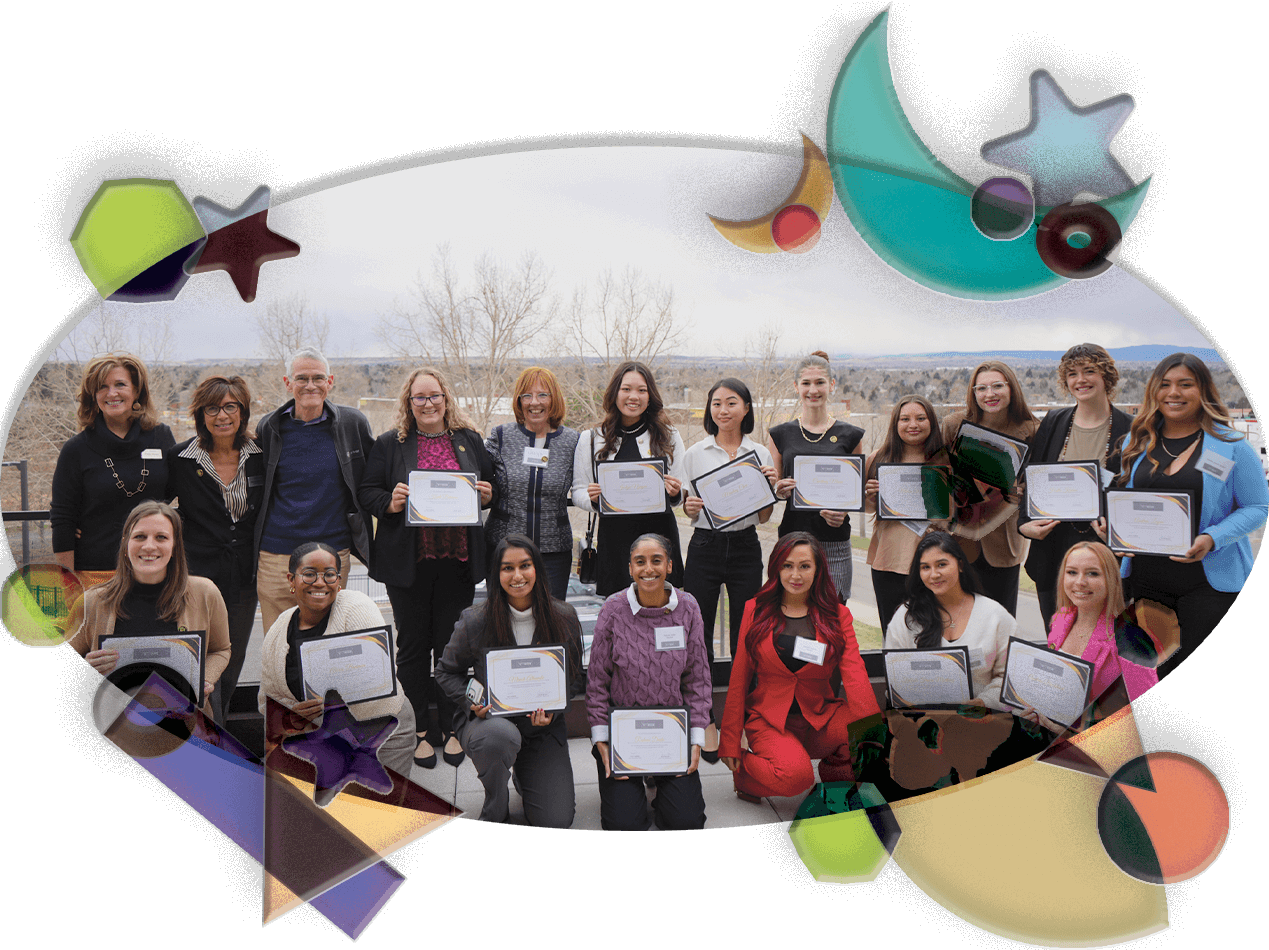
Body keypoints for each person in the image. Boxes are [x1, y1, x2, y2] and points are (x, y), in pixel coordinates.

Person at [358, 366, 496, 770]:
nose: (428, 403)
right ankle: (419, 730)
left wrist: (486, 495)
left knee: (453, 649)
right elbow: (367, 492)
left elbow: (488, 488)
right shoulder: (390, 444)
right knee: (414, 648)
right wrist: (392, 502)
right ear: (408, 403)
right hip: (409, 566)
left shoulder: (468, 441)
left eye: (434, 395)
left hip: (457, 562)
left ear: (446, 399)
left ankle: (455, 728)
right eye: (419, 397)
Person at [1104, 353, 1268, 677]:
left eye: (1185, 384)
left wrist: (1213, 538)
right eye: (1164, 385)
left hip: (1208, 585)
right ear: (1154, 391)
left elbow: (1257, 508)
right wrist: (1115, 533)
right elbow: (1125, 500)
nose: (1173, 393)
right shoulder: (1138, 443)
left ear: (1203, 390)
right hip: (1144, 583)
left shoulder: (1232, 445)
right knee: (1144, 677)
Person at [720, 533, 880, 803]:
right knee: (798, 779)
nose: (796, 574)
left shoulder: (838, 615)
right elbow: (739, 678)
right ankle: (746, 774)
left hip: (819, 717)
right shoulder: (754, 610)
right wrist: (730, 741)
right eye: (787, 565)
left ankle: (834, 772)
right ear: (776, 569)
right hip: (770, 721)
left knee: (869, 730)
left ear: (817, 570)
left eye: (805, 566)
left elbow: (856, 675)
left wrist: (874, 735)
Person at [435, 536, 582, 826]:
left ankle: (525, 773)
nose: (517, 576)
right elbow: (445, 672)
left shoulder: (564, 616)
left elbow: (574, 678)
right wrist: (474, 701)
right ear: (496, 574)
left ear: (537, 569)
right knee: (501, 736)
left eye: (525, 566)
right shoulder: (476, 620)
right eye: (507, 568)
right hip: (488, 725)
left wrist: (554, 711)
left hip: (542, 728)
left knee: (556, 821)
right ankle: (496, 803)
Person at [257, 542, 416, 776]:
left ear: (339, 581)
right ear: (292, 580)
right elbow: (268, 700)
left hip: (380, 727)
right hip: (316, 735)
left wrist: (334, 705)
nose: (320, 582)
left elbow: (379, 676)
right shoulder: (279, 630)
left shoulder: (356, 608)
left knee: (373, 810)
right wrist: (292, 714)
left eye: (329, 575)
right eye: (309, 574)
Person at [586, 534, 710, 830]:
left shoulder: (688, 608)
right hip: (622, 732)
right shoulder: (613, 610)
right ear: (630, 568)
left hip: (671, 731)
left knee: (687, 822)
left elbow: (698, 677)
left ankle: (659, 783)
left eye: (656, 561)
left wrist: (695, 739)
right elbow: (597, 682)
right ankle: (639, 786)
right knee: (624, 825)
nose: (648, 569)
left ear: (669, 565)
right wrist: (601, 740)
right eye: (639, 562)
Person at [681, 377, 777, 759]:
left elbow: (766, 515)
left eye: (731, 403)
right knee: (698, 632)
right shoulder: (695, 453)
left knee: (745, 634)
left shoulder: (761, 455)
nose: (723, 410)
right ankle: (704, 717)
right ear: (709, 410)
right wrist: (688, 507)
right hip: (704, 545)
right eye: (717, 403)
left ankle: (739, 720)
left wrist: (769, 488)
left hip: (744, 547)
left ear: (746, 408)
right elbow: (688, 506)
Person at [68, 501, 231, 717]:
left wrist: (205, 679)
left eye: (161, 537)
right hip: (115, 725)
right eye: (140, 537)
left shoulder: (205, 593)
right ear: (126, 543)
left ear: (174, 547)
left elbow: (220, 650)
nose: (149, 546)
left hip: (185, 726)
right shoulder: (92, 601)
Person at [254, 347, 374, 635]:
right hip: (276, 554)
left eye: (318, 378)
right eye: (302, 378)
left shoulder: (351, 424)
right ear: (288, 383)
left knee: (327, 640)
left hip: (330, 551)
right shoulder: (268, 427)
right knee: (279, 641)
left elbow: (373, 479)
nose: (310, 385)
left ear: (330, 381)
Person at [165, 375, 263, 725]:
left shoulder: (260, 456)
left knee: (231, 656)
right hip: (195, 578)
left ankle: (214, 729)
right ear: (200, 414)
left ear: (243, 411)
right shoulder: (180, 458)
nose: (222, 415)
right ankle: (208, 734)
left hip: (244, 577)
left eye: (230, 406)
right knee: (197, 657)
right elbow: (154, 509)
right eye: (212, 408)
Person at [1017, 344, 1132, 632]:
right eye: (1072, 374)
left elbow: (1135, 491)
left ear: (1107, 376)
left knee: (1107, 646)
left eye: (1089, 371)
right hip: (1053, 551)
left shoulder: (1132, 429)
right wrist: (1024, 524)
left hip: (1104, 553)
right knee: (1057, 641)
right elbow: (1032, 480)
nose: (1080, 379)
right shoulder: (1055, 422)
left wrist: (1119, 530)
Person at [51, 353, 175, 583]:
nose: (111, 393)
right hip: (95, 574)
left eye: (120, 384)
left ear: (136, 391)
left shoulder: (162, 437)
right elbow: (62, 519)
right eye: (102, 387)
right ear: (93, 396)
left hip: (154, 570)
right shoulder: (76, 450)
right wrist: (69, 583)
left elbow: (183, 493)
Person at [884, 531, 1039, 710]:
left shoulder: (994, 615)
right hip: (922, 722)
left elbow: (1012, 678)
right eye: (925, 567)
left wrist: (983, 703)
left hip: (984, 721)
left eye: (941, 564)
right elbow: (895, 680)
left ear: (960, 565)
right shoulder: (906, 616)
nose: (934, 574)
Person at [571, 362, 687, 597]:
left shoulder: (669, 436)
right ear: (615, 393)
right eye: (626, 389)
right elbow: (578, 491)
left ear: (650, 395)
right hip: (615, 540)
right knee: (620, 615)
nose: (633, 396)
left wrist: (676, 493)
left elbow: (683, 488)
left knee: (662, 610)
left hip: (660, 538)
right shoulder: (592, 438)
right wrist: (593, 499)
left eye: (642, 390)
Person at [941, 359, 1039, 616]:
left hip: (1004, 540)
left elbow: (1034, 485)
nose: (989, 394)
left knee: (1000, 621)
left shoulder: (1030, 430)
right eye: (981, 388)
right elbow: (938, 475)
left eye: (997, 386)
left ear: (1011, 388)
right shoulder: (954, 425)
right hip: (959, 540)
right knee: (959, 618)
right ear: (973, 393)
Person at [1024, 542, 1156, 732]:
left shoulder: (1130, 638)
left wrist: (1075, 731)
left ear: (1111, 580)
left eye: (1092, 573)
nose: (1079, 582)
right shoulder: (1060, 620)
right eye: (1071, 572)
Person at [769, 351, 864, 600]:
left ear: (832, 385)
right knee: (792, 616)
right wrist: (778, 490)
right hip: (792, 544)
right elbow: (774, 487)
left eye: (820, 382)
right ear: (796, 386)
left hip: (834, 543)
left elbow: (854, 492)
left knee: (835, 620)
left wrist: (843, 511)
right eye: (806, 383)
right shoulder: (779, 435)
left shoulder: (851, 435)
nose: (813, 390)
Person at [484, 367, 581, 600]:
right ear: (519, 401)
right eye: (526, 395)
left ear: (554, 399)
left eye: (542, 395)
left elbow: (584, 485)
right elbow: (483, 482)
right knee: (503, 624)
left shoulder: (573, 441)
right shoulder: (501, 436)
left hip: (554, 553)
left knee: (550, 624)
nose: (534, 402)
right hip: (504, 550)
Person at [863, 395, 948, 631]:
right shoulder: (879, 458)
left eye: (921, 418)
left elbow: (956, 514)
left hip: (933, 563)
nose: (913, 424)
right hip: (888, 560)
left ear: (931, 422)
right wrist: (870, 496)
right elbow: (869, 508)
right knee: (893, 633)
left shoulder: (945, 460)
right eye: (905, 419)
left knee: (932, 633)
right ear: (895, 423)